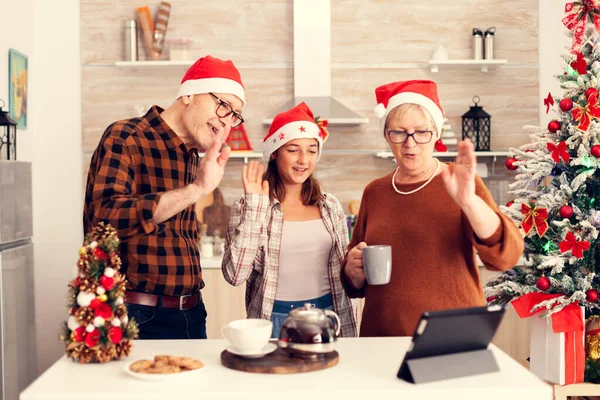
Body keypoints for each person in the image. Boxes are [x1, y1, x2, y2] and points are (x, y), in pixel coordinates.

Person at [341, 80, 524, 337]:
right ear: (386, 136)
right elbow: (355, 276)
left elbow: (506, 255)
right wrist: (351, 271)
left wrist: (469, 202)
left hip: (452, 337)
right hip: (382, 338)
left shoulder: (460, 182)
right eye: (399, 132)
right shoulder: (375, 192)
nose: (410, 142)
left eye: (421, 132)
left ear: (436, 134)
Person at [83, 55, 245, 339]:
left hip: (191, 314)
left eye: (234, 115)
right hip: (135, 314)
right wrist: (196, 189)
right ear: (189, 94)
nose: (226, 122)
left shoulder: (193, 156)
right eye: (222, 105)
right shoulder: (127, 136)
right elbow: (104, 218)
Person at [222, 102, 358, 338]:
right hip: (274, 321)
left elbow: (344, 270)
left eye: (312, 150)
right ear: (274, 152)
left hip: (327, 316)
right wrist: (256, 209)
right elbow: (235, 275)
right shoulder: (247, 206)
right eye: (293, 149)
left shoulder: (330, 206)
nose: (303, 160)